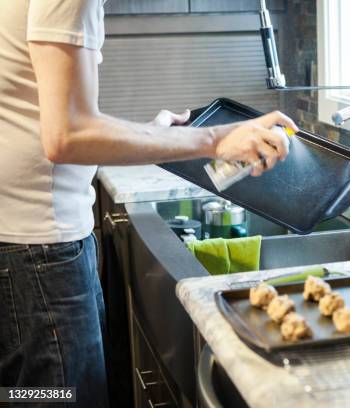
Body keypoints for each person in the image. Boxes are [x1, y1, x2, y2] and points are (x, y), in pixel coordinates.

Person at [0, 1, 298, 406]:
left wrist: (150, 134)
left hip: (23, 246)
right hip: (39, 253)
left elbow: (58, 116)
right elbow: (66, 136)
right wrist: (216, 140)